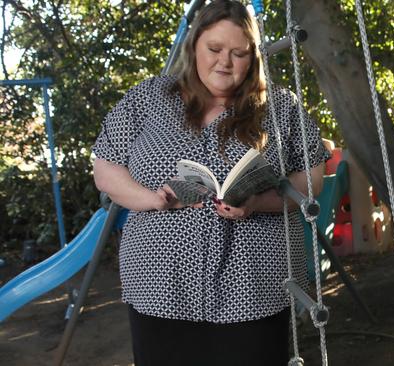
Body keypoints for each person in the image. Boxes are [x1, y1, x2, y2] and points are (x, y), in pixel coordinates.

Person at [92, 1, 329, 365]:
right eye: (214, 49)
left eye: (238, 53)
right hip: (160, 283)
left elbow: (311, 178)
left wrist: (256, 203)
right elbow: (105, 167)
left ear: (253, 58)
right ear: (194, 46)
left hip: (254, 286)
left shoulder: (280, 107)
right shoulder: (148, 97)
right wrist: (152, 198)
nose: (225, 62)